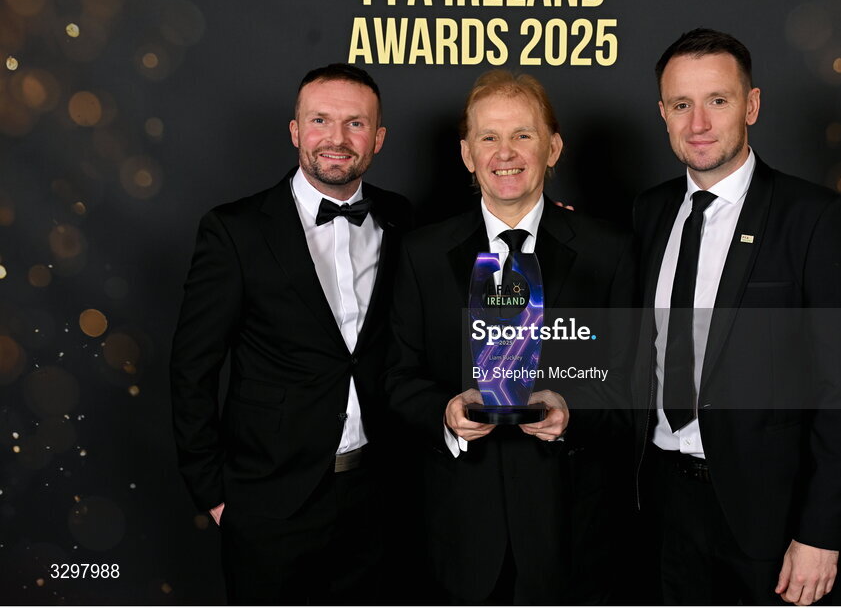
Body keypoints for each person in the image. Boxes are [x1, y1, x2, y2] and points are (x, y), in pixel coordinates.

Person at [632, 28, 841, 606]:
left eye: (718, 100)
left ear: (752, 106)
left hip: (769, 517)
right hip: (660, 503)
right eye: (681, 105)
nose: (699, 124)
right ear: (662, 113)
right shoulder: (647, 212)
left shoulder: (816, 218)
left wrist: (819, 533)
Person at [385, 70, 634, 604]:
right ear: (466, 154)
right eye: (488, 137)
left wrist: (574, 413)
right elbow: (397, 378)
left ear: (553, 147)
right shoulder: (420, 254)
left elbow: (632, 384)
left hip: (572, 538)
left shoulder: (610, 251)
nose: (506, 152)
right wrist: (445, 413)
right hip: (455, 540)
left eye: (522, 134)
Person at [170, 63, 412, 604]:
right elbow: (192, 369)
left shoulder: (400, 218)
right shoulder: (235, 231)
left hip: (378, 498)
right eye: (321, 120)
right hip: (269, 504)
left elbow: (468, 254)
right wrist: (213, 492)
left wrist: (538, 219)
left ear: (378, 139)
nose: (337, 138)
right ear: (296, 131)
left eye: (355, 124)